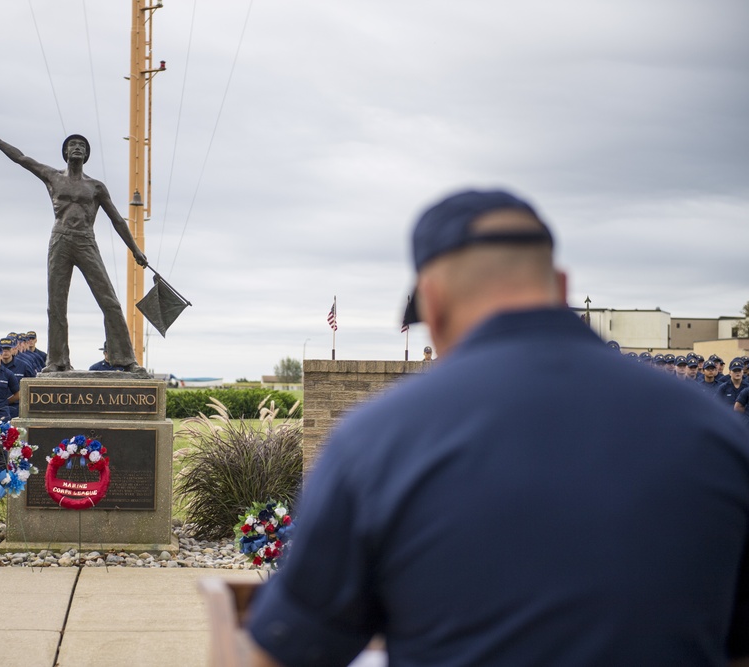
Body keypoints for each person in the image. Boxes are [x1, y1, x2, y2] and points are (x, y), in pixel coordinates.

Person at [247, 189, 749, 667]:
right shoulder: (716, 433)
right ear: (562, 288)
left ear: (433, 301)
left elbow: (284, 654)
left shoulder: (375, 441)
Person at [0, 130, 147, 373]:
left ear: (86, 154)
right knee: (56, 304)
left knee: (109, 301)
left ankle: (125, 360)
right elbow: (22, 159)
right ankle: (57, 361)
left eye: (82, 146)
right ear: (65, 152)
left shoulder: (96, 187)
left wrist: (135, 250)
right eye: (72, 145)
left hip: (86, 241)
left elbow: (117, 220)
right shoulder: (52, 176)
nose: (77, 148)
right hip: (60, 240)